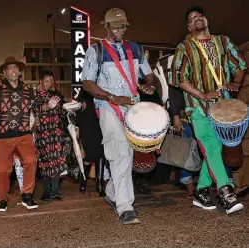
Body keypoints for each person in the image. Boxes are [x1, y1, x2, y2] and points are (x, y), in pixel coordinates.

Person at [82, 8, 156, 224]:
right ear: (106, 27)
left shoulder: (135, 48)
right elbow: (87, 83)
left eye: (122, 26)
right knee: (121, 152)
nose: (119, 30)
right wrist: (111, 97)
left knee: (128, 155)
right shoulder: (96, 50)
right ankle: (125, 207)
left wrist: (147, 86)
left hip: (132, 105)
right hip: (107, 105)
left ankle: (113, 191)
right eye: (115, 26)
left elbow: (149, 75)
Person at [170, 6, 247, 214]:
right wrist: (202, 94)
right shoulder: (185, 46)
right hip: (198, 109)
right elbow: (179, 78)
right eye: (192, 18)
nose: (196, 19)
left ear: (206, 20)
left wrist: (235, 84)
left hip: (223, 107)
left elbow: (240, 65)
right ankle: (225, 190)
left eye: (199, 16)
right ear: (189, 26)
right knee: (212, 147)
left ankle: (201, 190)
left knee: (216, 150)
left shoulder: (223, 41)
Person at [0, 56, 38, 212]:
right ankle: (3, 199)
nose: (13, 71)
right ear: (4, 72)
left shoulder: (27, 89)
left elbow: (38, 108)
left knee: (31, 160)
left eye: (16, 68)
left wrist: (49, 106)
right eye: (10, 68)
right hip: (2, 136)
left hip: (23, 134)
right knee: (2, 170)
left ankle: (27, 195)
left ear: (19, 71)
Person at [32, 70, 68, 201]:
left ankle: (56, 191)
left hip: (56, 133)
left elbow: (62, 114)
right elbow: (37, 108)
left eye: (51, 81)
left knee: (57, 162)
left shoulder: (54, 96)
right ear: (40, 81)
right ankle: (47, 191)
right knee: (44, 163)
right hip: (43, 134)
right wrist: (48, 106)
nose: (49, 84)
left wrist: (68, 110)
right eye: (46, 81)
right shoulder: (35, 96)